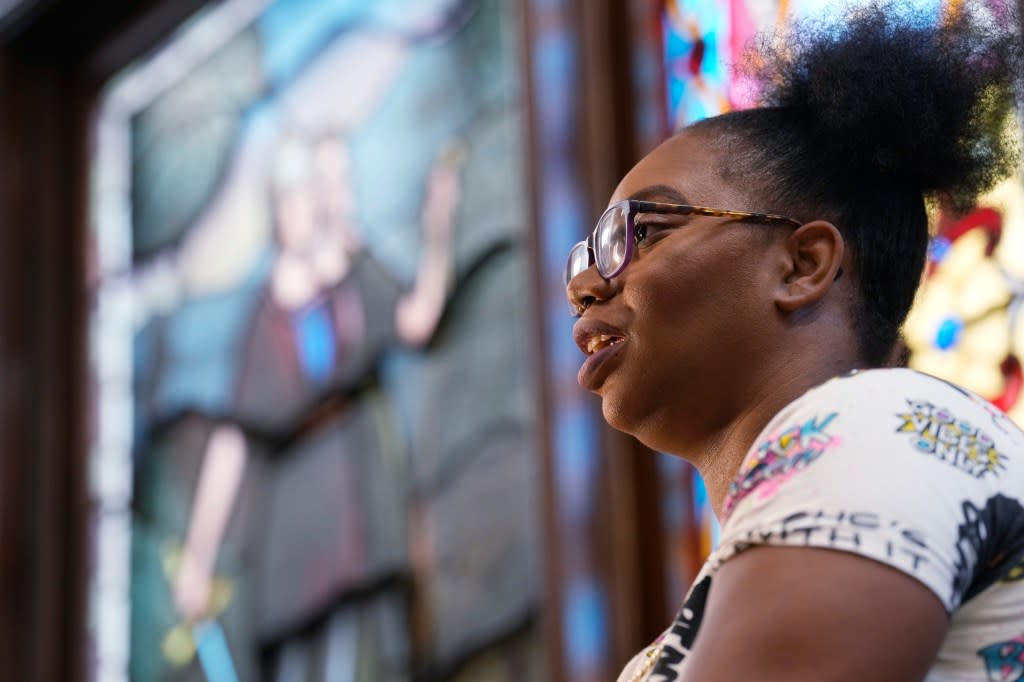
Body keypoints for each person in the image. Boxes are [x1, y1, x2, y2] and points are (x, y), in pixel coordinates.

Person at [564, 3, 1024, 681]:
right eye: (586, 255)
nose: (588, 285)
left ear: (802, 265)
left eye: (641, 231)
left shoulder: (884, 426)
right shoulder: (659, 656)